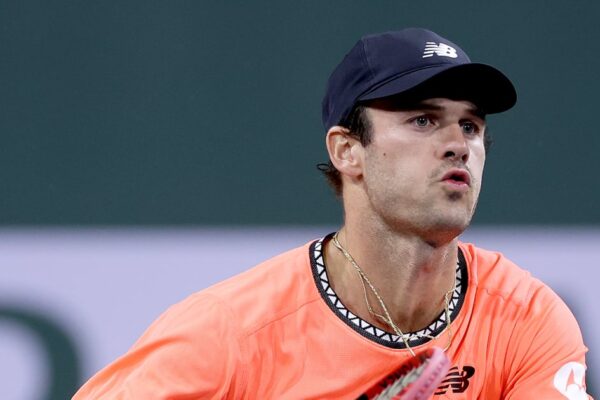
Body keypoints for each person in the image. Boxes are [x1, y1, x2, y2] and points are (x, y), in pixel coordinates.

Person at [73, 28, 592, 399]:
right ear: (347, 151)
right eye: (422, 120)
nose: (458, 144)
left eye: (471, 126)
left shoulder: (526, 318)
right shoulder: (230, 334)